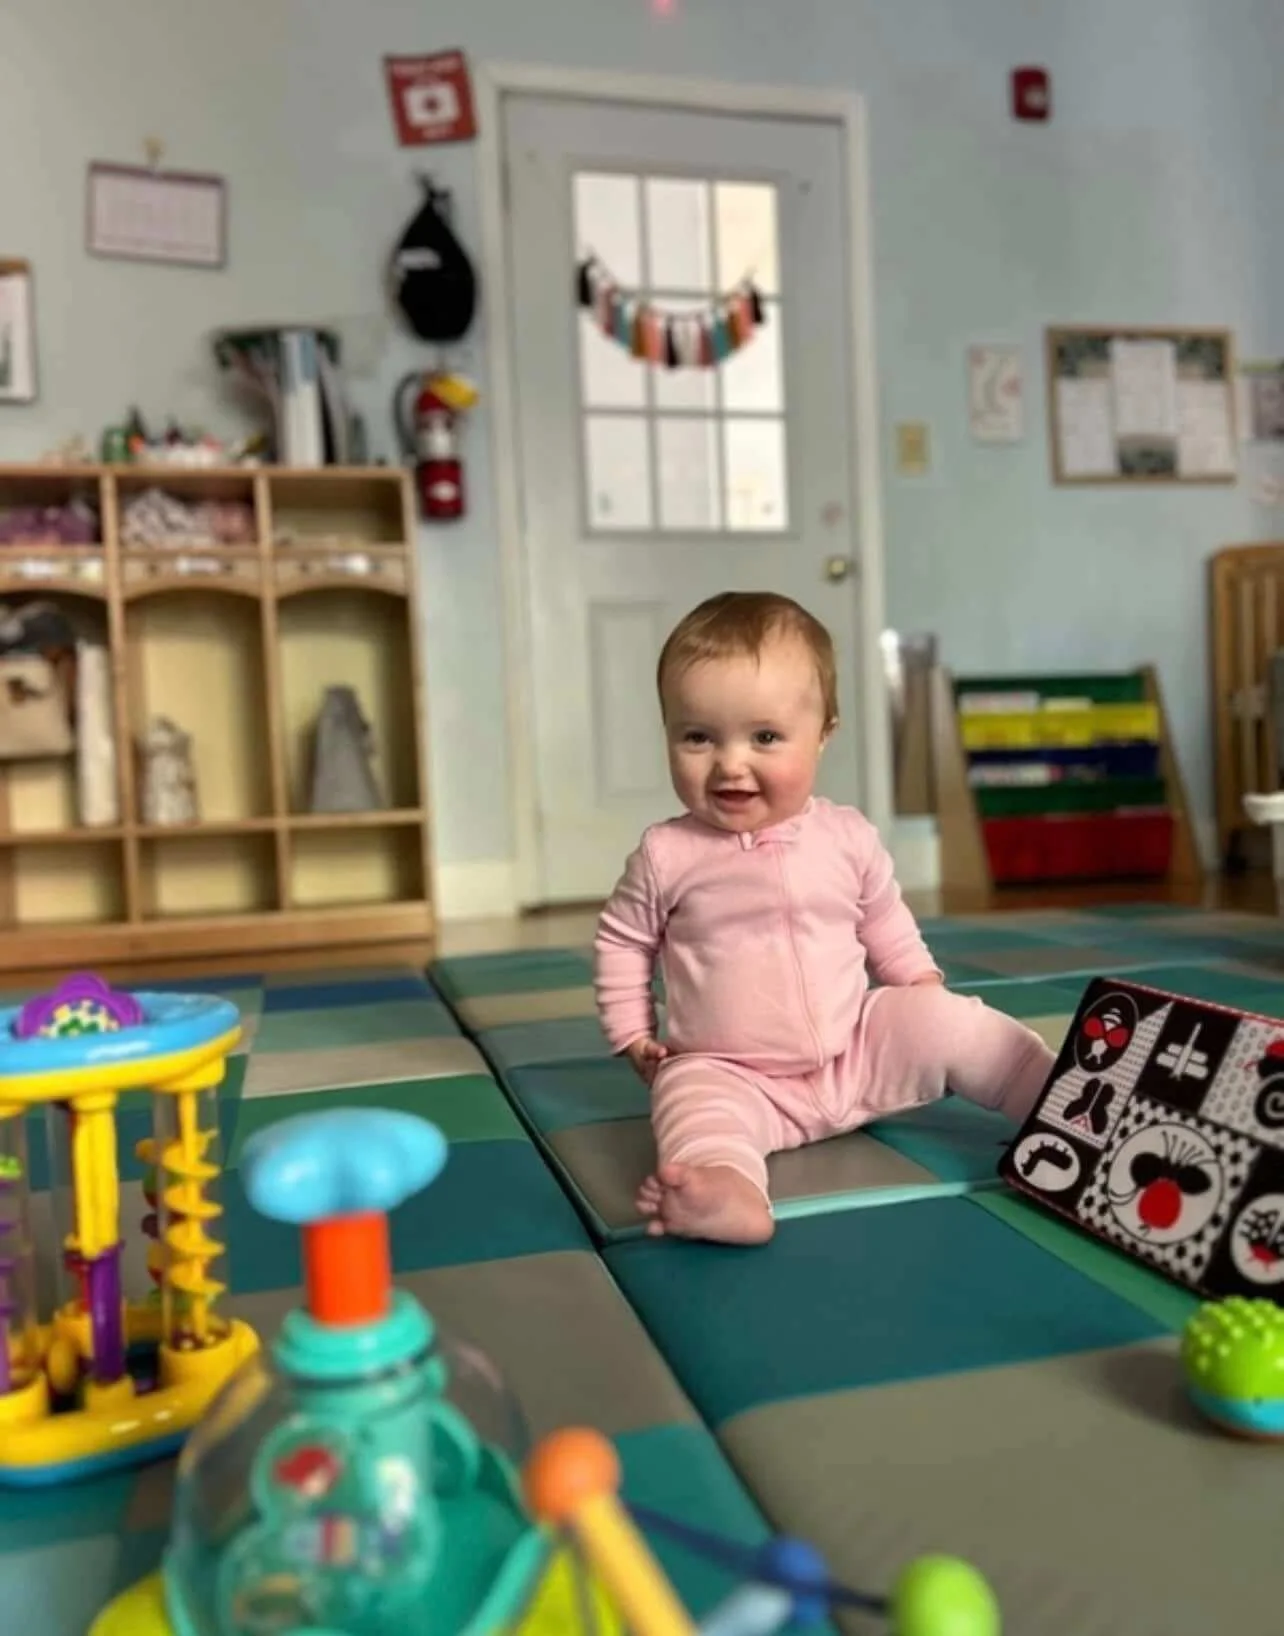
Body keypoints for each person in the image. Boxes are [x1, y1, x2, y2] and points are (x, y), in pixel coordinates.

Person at [593, 591, 1055, 1245]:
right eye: (698, 737)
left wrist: (918, 984)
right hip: (733, 1072)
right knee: (687, 1102)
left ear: (822, 735)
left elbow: (885, 919)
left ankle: (1055, 1100)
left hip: (853, 1052)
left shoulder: (847, 837)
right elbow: (622, 941)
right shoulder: (667, 854)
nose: (730, 763)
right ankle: (726, 1192)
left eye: (765, 738)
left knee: (954, 1022)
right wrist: (633, 1033)